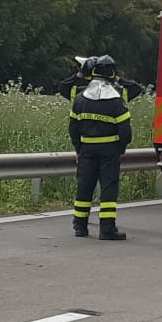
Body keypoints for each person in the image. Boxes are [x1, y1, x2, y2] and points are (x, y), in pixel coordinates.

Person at [56, 54, 137, 241]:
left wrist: (78, 148)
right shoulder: (116, 100)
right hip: (109, 152)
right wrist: (121, 148)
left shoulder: (80, 98)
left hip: (86, 151)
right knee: (108, 188)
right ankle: (107, 229)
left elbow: (73, 127)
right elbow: (125, 131)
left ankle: (80, 226)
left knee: (84, 187)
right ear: (111, 73)